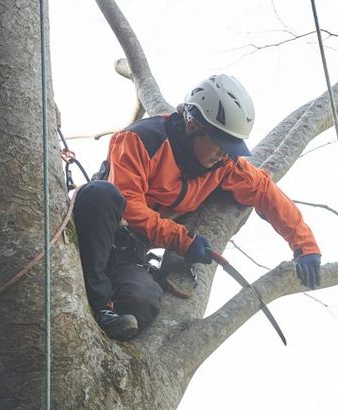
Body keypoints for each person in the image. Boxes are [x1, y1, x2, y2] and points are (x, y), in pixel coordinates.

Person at [73, 74, 321, 341]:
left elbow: (264, 191)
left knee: (142, 302)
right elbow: (129, 206)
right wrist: (182, 240)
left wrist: (305, 245)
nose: (224, 155)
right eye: (219, 144)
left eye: (230, 148)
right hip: (95, 232)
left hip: (127, 254)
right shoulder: (140, 139)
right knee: (101, 194)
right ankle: (99, 304)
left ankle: (108, 310)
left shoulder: (223, 167)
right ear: (193, 126)